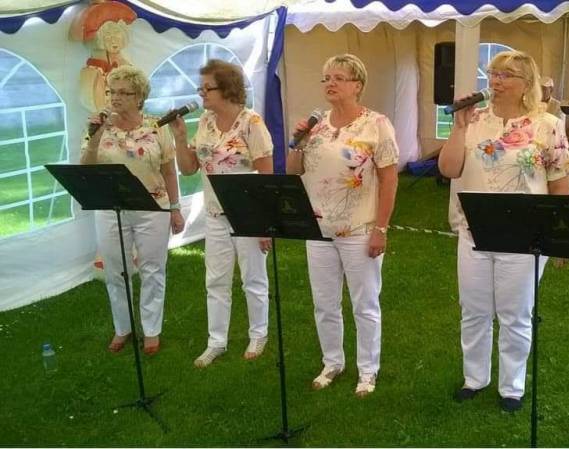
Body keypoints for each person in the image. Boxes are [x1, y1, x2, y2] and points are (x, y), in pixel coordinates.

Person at [438, 50, 569, 412]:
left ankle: (511, 386)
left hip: (524, 234)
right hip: (474, 230)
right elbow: (448, 169)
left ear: (527, 83)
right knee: (474, 309)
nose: (496, 81)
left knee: (515, 313)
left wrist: (561, 237)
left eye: (506, 75)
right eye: (493, 74)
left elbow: (560, 183)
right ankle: (474, 378)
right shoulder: (474, 120)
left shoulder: (547, 125)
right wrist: (459, 127)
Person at [286, 53, 399, 397]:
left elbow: (389, 179)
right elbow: (293, 172)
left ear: (357, 85)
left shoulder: (376, 124)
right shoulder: (316, 126)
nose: (330, 83)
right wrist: (297, 143)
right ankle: (332, 362)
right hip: (318, 229)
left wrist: (381, 229)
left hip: (359, 229)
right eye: (326, 78)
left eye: (339, 77)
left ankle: (368, 370)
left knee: (364, 304)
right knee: (324, 303)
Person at [172, 59, 274, 368]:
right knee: (215, 280)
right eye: (200, 88)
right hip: (215, 214)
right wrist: (180, 138)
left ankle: (258, 334)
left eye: (207, 88)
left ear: (227, 89)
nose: (201, 93)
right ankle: (216, 341)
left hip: (247, 214)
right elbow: (188, 169)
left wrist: (264, 223)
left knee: (253, 278)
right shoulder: (205, 121)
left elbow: (266, 175)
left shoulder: (251, 122)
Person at [80, 66, 185, 355]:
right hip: (109, 208)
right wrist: (95, 136)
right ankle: (123, 327)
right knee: (116, 270)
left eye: (123, 93)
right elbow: (86, 169)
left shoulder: (156, 126)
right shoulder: (98, 126)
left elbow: (169, 170)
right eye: (111, 92)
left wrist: (175, 209)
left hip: (152, 207)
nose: (115, 98)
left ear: (139, 97)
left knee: (153, 269)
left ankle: (151, 330)